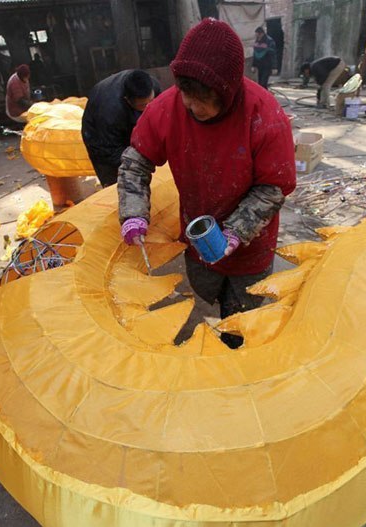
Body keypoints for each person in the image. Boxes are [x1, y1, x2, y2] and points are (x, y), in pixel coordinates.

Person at [117, 18, 296, 348]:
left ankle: (233, 346)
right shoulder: (166, 108)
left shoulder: (264, 114)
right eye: (186, 93)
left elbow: (274, 187)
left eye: (202, 98)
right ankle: (221, 315)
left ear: (226, 91)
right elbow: (135, 163)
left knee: (240, 314)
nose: (191, 105)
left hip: (251, 243)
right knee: (206, 289)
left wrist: (237, 230)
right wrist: (133, 213)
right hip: (198, 236)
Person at [81, 70, 161, 187]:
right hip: (101, 138)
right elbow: (111, 152)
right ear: (127, 100)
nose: (149, 107)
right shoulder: (109, 112)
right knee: (119, 182)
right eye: (143, 105)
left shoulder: (152, 86)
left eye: (152, 101)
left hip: (125, 122)